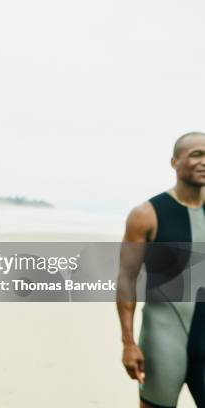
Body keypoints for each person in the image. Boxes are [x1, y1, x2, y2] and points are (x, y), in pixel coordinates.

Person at [117, 131, 205, 408]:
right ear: (174, 162)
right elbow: (126, 279)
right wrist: (129, 343)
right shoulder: (147, 214)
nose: (204, 161)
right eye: (196, 154)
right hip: (164, 337)